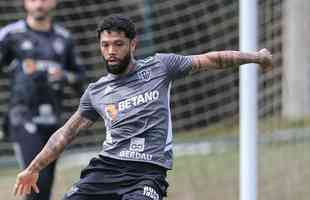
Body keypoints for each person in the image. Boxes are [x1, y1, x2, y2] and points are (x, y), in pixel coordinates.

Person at [13, 15, 272, 200]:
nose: (111, 51)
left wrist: (257, 57)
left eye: (118, 44)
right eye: (105, 45)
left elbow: (211, 59)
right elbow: (65, 134)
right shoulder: (96, 91)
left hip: (148, 174)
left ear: (133, 44)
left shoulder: (161, 66)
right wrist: (33, 168)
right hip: (107, 168)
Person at [0, 0, 85, 200]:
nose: (39, 4)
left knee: (44, 186)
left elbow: (80, 78)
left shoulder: (64, 38)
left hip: (54, 121)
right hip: (22, 117)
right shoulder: (11, 34)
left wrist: (63, 76)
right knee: (36, 181)